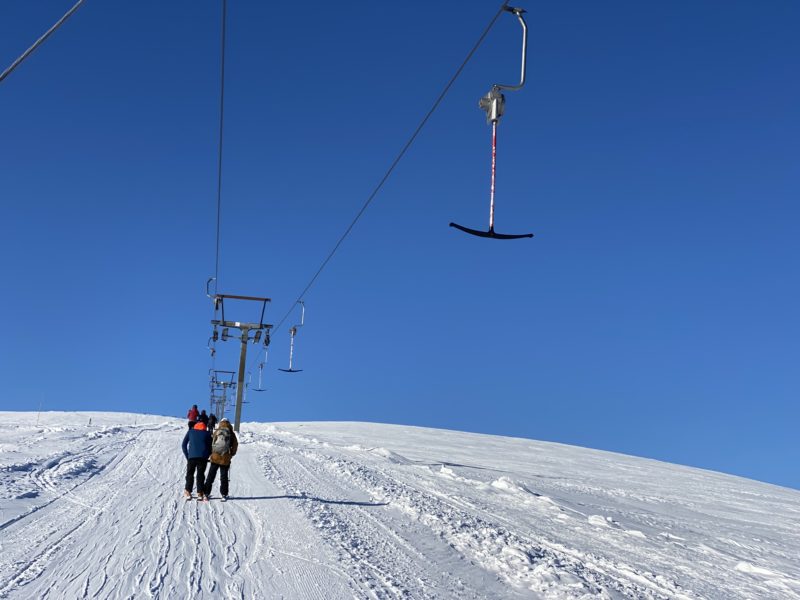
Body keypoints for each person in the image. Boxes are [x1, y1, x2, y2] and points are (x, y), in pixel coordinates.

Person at [203, 417, 238, 501]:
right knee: (224, 476)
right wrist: (231, 454)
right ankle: (224, 494)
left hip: (215, 456)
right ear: (229, 423)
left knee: (211, 475)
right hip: (225, 458)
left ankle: (206, 493)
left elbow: (212, 442)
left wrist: (212, 453)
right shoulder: (231, 433)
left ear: (220, 423)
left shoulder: (217, 431)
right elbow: (235, 444)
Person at [182, 421, 212, 501]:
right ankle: (200, 493)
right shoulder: (207, 434)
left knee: (190, 474)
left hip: (191, 457)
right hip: (202, 458)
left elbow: (183, 445)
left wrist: (187, 456)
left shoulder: (190, 432)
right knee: (200, 475)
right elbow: (210, 446)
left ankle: (188, 491)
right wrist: (207, 455)